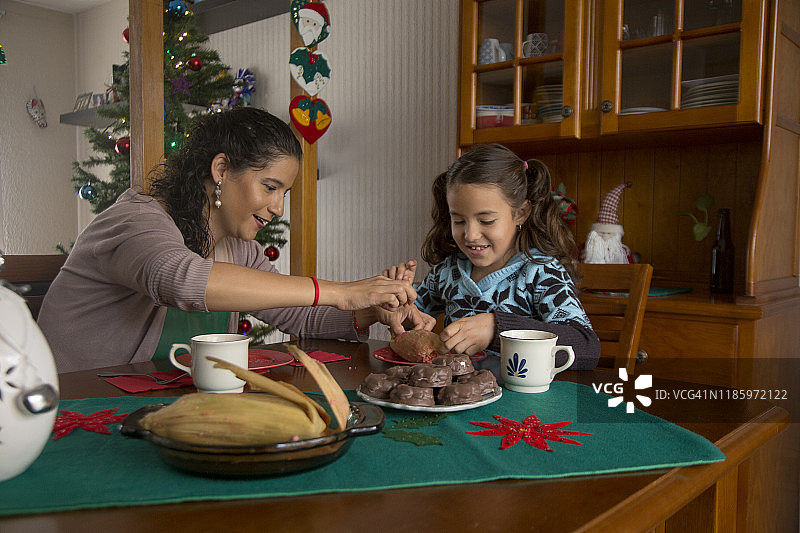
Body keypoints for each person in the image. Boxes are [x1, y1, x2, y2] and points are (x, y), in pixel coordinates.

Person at [38, 107, 420, 372]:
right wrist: (339, 290)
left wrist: (373, 308)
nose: (278, 208)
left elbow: (299, 314)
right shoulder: (135, 222)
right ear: (221, 169)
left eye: (284, 192)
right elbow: (182, 280)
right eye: (270, 187)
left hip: (168, 409)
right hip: (82, 407)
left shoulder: (239, 249)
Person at [406, 143, 600, 369]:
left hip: (522, 402)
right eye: (458, 220)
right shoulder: (448, 271)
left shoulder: (541, 273)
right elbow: (414, 319)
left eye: (486, 221)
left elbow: (587, 348)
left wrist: (497, 328)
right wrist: (400, 300)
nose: (471, 234)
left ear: (520, 214)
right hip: (457, 399)